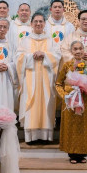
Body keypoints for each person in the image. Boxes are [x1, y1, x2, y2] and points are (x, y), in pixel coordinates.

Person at [16, 13, 61, 144]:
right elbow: (18, 57)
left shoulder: (51, 40)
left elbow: (58, 56)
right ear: (31, 24)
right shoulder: (25, 40)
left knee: (47, 103)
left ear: (44, 24)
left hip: (47, 78)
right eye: (35, 21)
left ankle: (46, 136)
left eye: (41, 21)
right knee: (31, 104)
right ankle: (31, 137)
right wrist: (31, 56)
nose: (38, 24)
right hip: (30, 78)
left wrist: (45, 55)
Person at [55, 41, 87, 164]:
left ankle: (83, 154)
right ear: (71, 51)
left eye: (80, 48)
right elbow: (58, 84)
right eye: (75, 49)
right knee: (71, 127)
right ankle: (72, 153)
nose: (78, 51)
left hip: (85, 100)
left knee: (83, 127)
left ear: (84, 50)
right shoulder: (67, 65)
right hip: (71, 101)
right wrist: (65, 96)